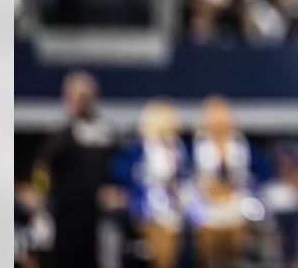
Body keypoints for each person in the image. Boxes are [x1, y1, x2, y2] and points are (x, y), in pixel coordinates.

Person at [34, 70, 115, 268]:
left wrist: (113, 189)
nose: (83, 101)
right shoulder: (62, 134)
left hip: (96, 213)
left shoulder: (103, 131)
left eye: (87, 96)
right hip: (66, 212)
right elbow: (42, 167)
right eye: (79, 96)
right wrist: (40, 193)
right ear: (68, 99)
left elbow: (112, 167)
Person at [190, 96, 269, 268]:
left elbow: (246, 173)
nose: (219, 123)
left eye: (222, 118)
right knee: (211, 249)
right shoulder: (200, 143)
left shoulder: (238, 142)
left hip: (234, 198)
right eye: (214, 118)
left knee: (235, 248)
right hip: (209, 201)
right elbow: (198, 175)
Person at [114, 99, 190, 268]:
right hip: (146, 207)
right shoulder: (139, 147)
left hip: (174, 205)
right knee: (164, 236)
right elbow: (121, 173)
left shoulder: (177, 147)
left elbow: (184, 176)